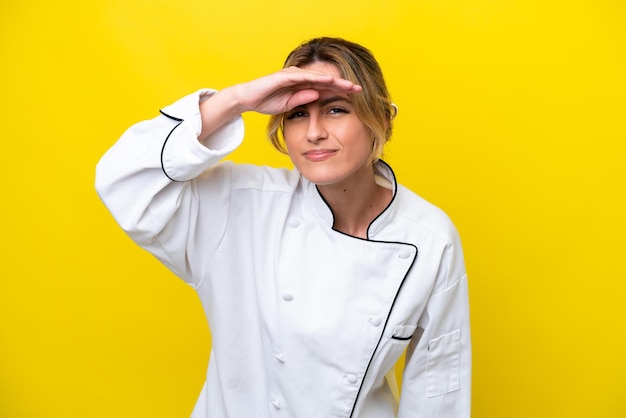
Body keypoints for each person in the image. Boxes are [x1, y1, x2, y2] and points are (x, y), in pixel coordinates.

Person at [96, 37, 471, 418]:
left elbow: (438, 391)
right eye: (297, 114)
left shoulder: (429, 238)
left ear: (384, 122)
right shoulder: (239, 203)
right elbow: (122, 179)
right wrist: (237, 100)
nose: (314, 133)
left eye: (336, 110)